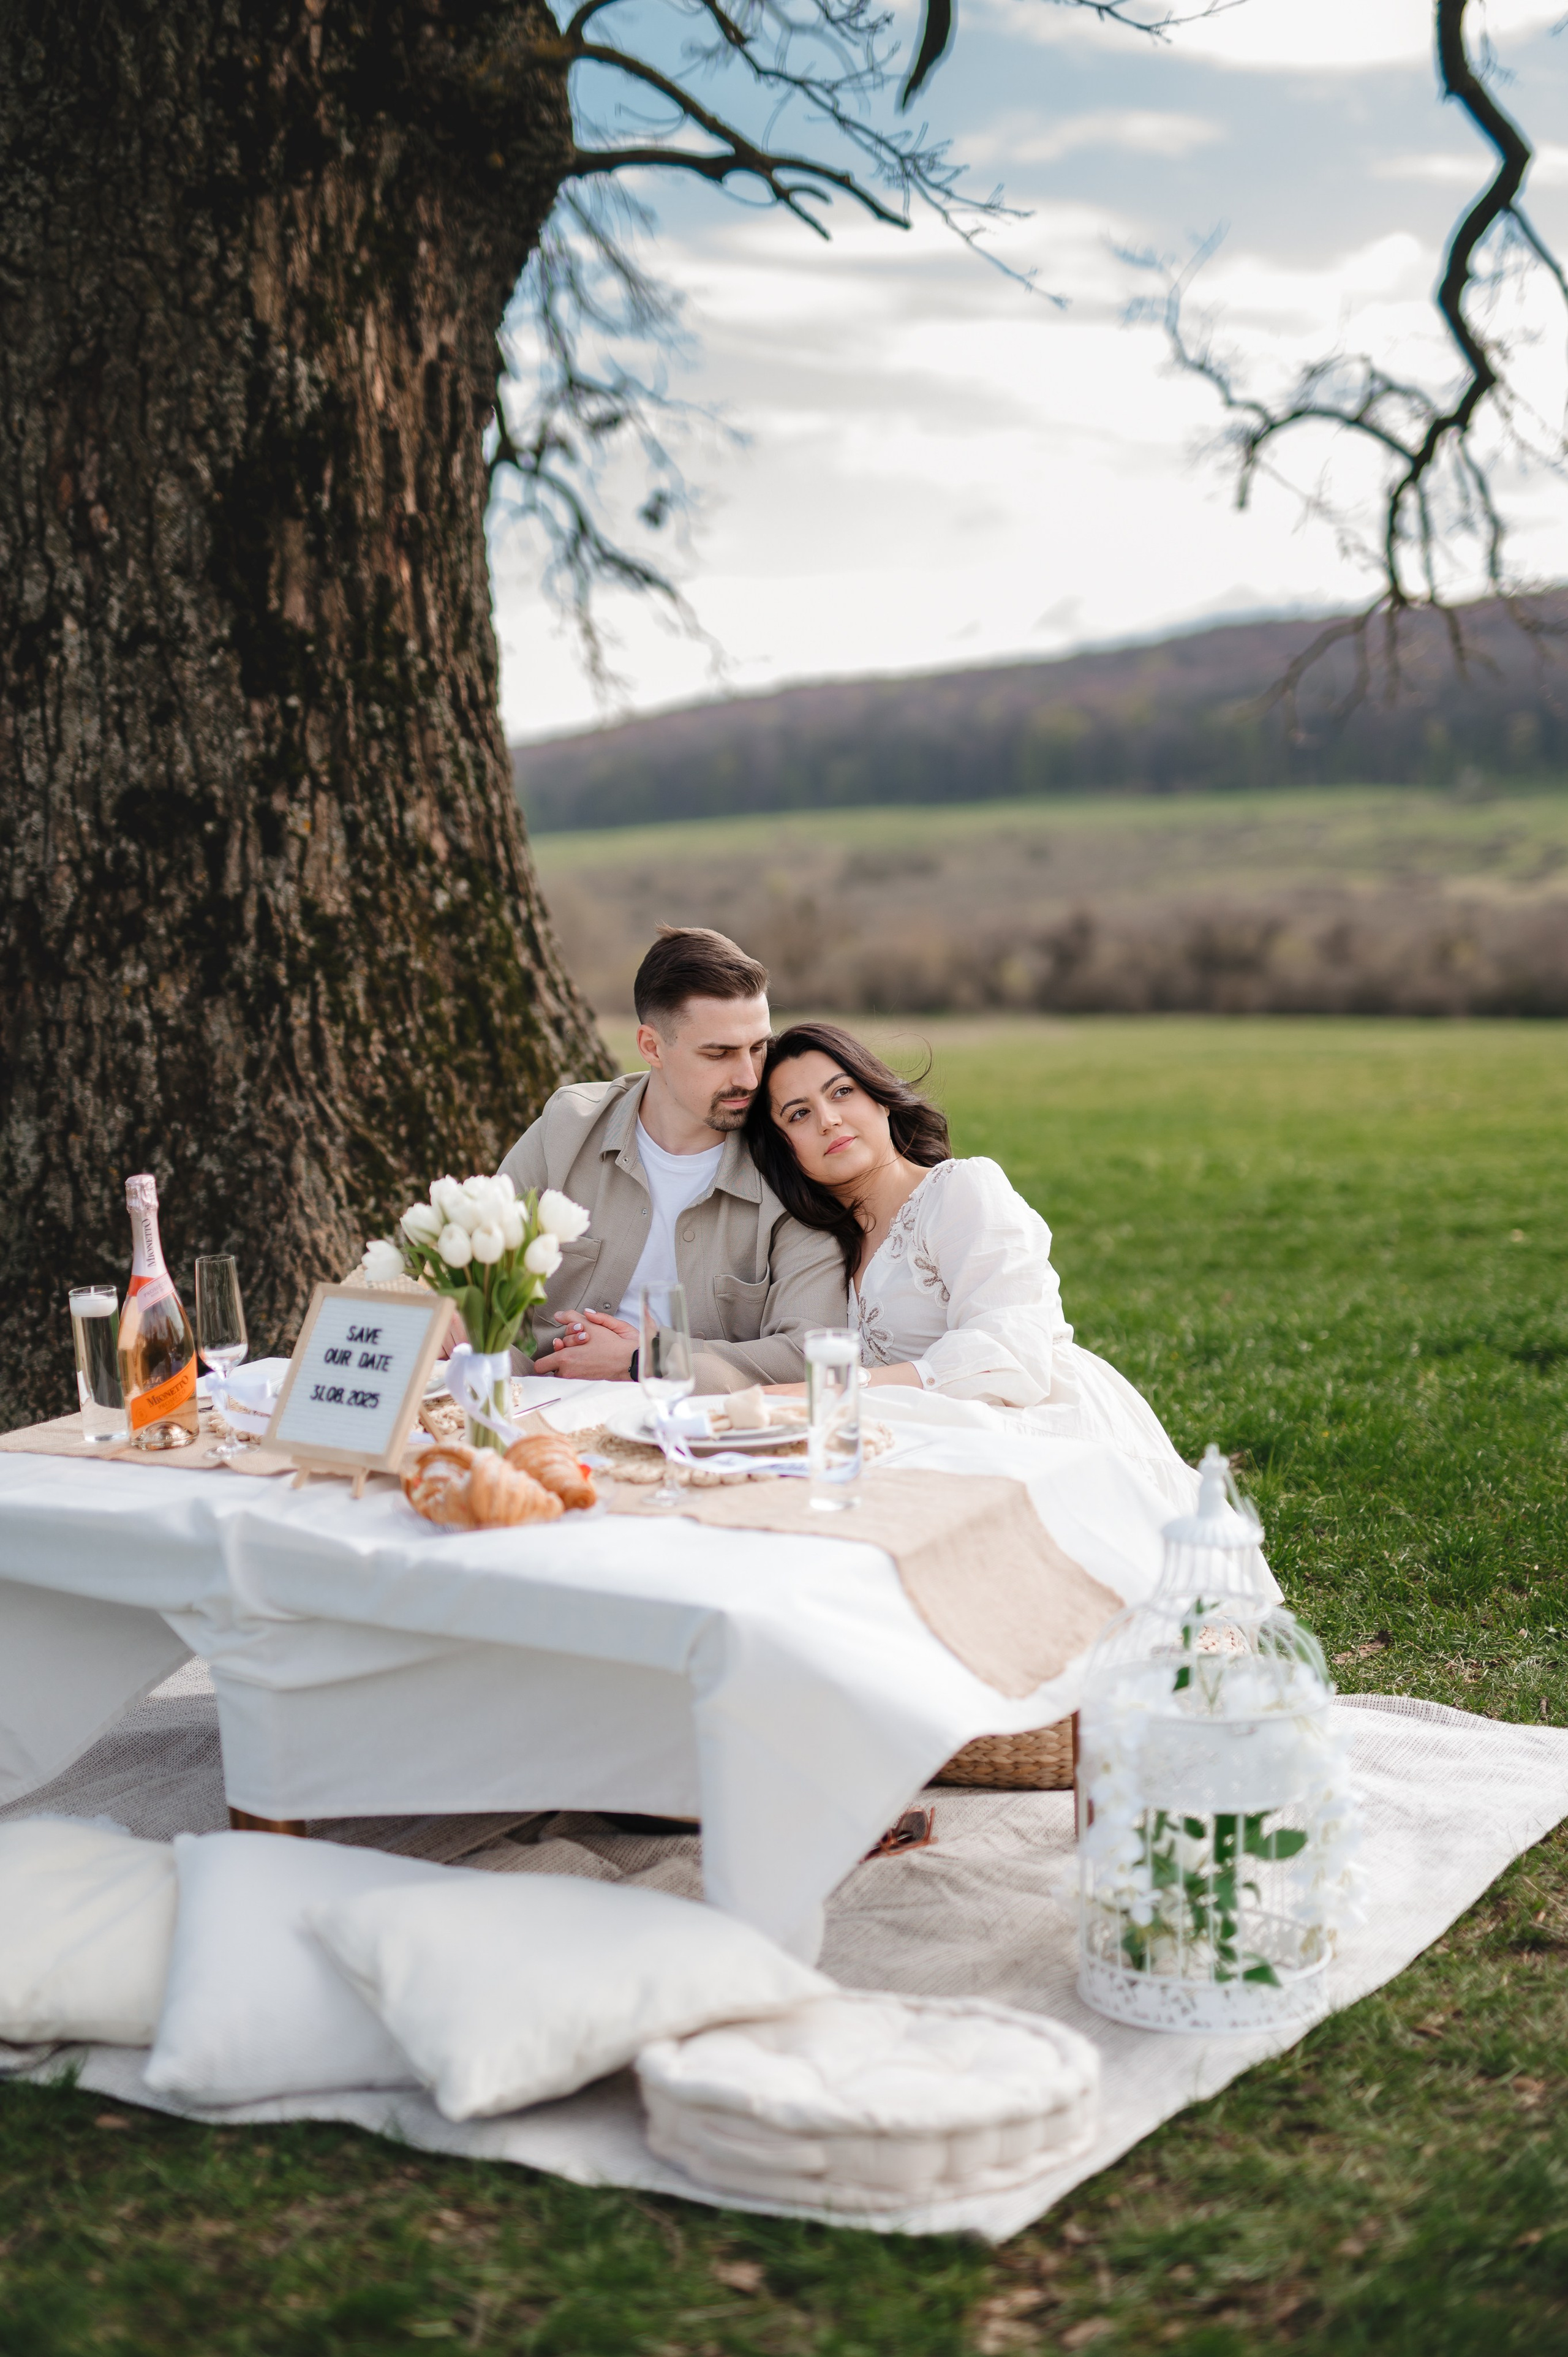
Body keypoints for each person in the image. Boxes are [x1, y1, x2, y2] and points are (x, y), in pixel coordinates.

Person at [745, 1020, 1198, 1512]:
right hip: (907, 1444)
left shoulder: (960, 1190)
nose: (828, 1120)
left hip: (1035, 1421)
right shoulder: (819, 1248)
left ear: (878, 1097)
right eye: (798, 1114)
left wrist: (840, 1389)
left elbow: (1010, 1354)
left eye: (842, 1091)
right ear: (783, 1149)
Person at [499, 928, 846, 1392]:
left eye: (758, 1047)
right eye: (718, 1053)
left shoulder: (790, 1161)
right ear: (652, 1047)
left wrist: (650, 1360)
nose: (748, 1076)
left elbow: (813, 1350)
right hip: (541, 1406)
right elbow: (471, 1274)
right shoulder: (568, 1127)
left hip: (703, 1427)